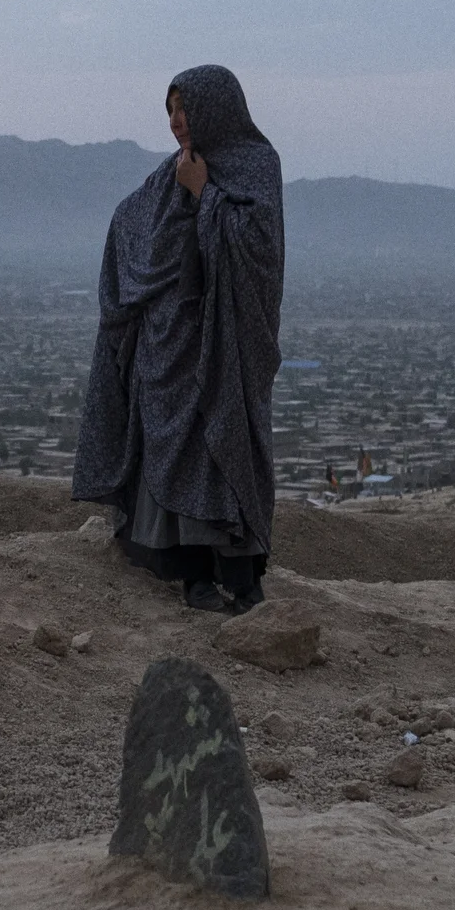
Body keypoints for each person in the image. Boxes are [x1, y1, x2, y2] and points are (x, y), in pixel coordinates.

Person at [73, 65, 284, 615]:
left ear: (217, 108)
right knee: (179, 456)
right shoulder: (170, 175)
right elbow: (132, 225)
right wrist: (187, 197)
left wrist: (205, 195)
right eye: (169, 110)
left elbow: (259, 252)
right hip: (171, 348)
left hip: (227, 347)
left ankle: (242, 577)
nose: (176, 121)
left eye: (184, 108)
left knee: (227, 450)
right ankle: (194, 578)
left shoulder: (255, 167)